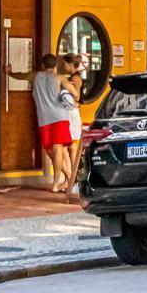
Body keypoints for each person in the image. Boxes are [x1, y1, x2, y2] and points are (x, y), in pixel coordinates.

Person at [33, 53, 73, 192]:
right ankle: (67, 177)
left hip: (44, 118)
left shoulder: (35, 76)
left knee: (51, 149)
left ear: (43, 65)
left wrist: (9, 71)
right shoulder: (60, 78)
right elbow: (75, 93)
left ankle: (60, 181)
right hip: (60, 116)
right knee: (55, 149)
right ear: (55, 65)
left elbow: (20, 75)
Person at [58, 54, 85, 194]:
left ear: (70, 65)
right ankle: (70, 178)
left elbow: (76, 96)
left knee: (69, 148)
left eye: (64, 64)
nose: (62, 66)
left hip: (71, 114)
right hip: (71, 113)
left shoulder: (74, 79)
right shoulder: (75, 77)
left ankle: (72, 178)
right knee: (68, 147)